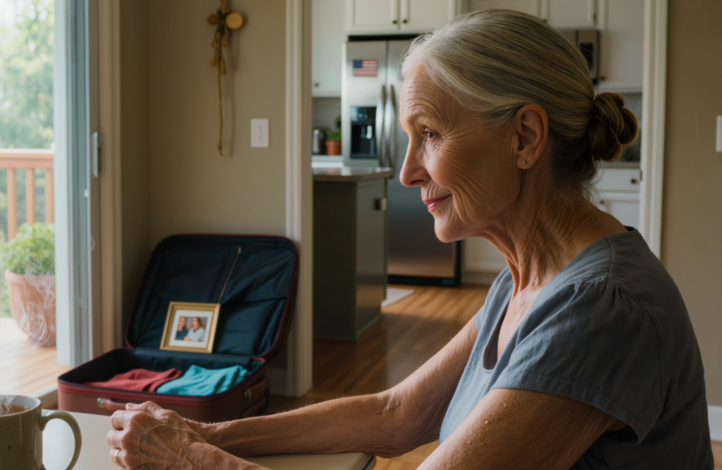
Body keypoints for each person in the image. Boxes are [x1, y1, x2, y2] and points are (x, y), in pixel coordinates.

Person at [106, 10, 713, 469]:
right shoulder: (527, 281)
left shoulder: (602, 308)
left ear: (525, 138)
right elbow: (399, 413)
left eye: (430, 134)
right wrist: (207, 434)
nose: (406, 172)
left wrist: (192, 460)